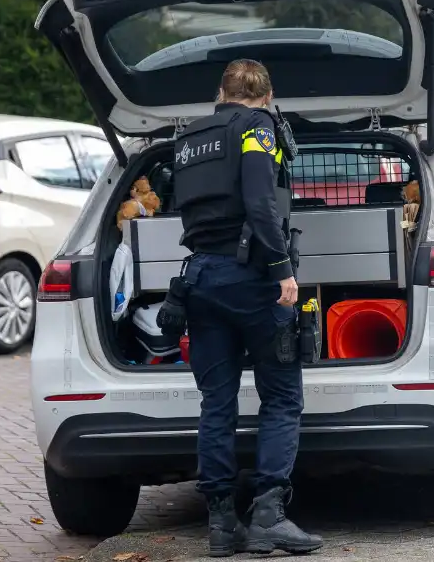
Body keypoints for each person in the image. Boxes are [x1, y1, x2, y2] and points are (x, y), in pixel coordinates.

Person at [170, 59, 322, 557]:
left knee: (217, 401)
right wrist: (282, 269)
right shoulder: (258, 127)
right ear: (266, 95)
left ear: (221, 91)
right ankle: (268, 518)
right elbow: (260, 200)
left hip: (200, 279)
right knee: (281, 396)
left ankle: (220, 525)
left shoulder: (190, 137)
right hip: (251, 278)